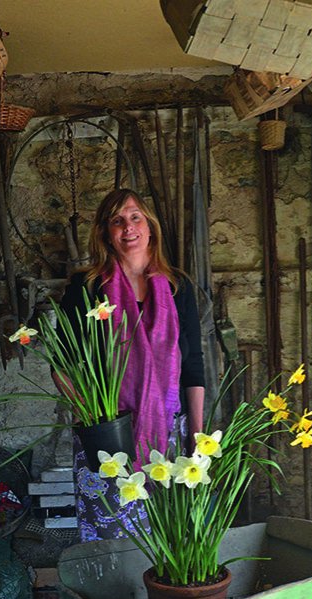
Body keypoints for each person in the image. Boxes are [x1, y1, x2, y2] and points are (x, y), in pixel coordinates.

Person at [56, 188, 205, 542]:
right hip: (108, 432)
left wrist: (197, 436)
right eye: (117, 221)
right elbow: (65, 362)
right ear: (106, 233)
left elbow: (193, 365)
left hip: (169, 432)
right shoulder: (87, 288)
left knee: (171, 538)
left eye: (135, 217)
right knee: (113, 535)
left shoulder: (177, 287)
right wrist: (89, 417)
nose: (128, 227)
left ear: (150, 227)